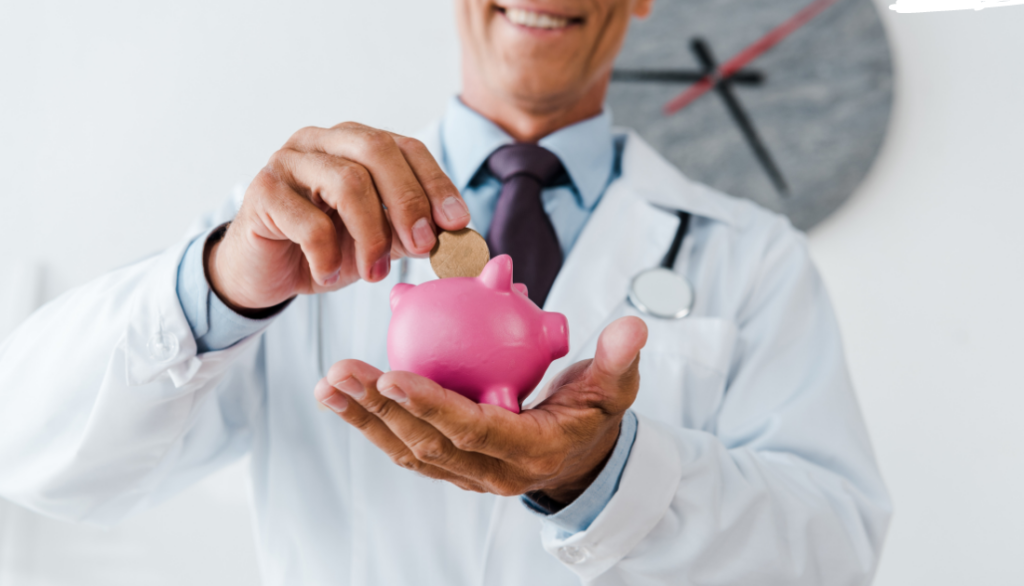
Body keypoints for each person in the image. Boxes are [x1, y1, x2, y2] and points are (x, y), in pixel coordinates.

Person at [0, 0, 891, 584]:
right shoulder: (282, 222)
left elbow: (833, 556)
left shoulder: (754, 258)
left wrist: (599, 474)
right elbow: (34, 454)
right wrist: (225, 287)